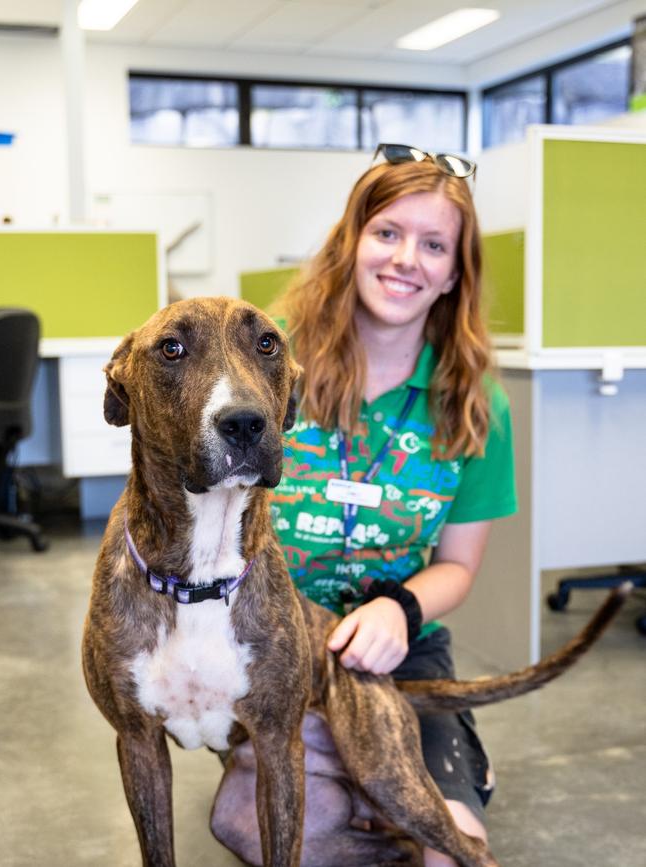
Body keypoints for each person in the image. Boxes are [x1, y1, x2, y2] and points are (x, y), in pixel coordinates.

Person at [215, 144, 517, 866]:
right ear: (351, 242)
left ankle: (448, 766)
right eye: (387, 232)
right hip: (275, 650)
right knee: (260, 832)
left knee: (451, 848)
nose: (406, 258)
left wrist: (400, 610)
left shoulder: (476, 405)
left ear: (453, 274)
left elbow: (458, 567)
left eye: (434, 244)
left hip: (399, 657)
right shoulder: (268, 362)